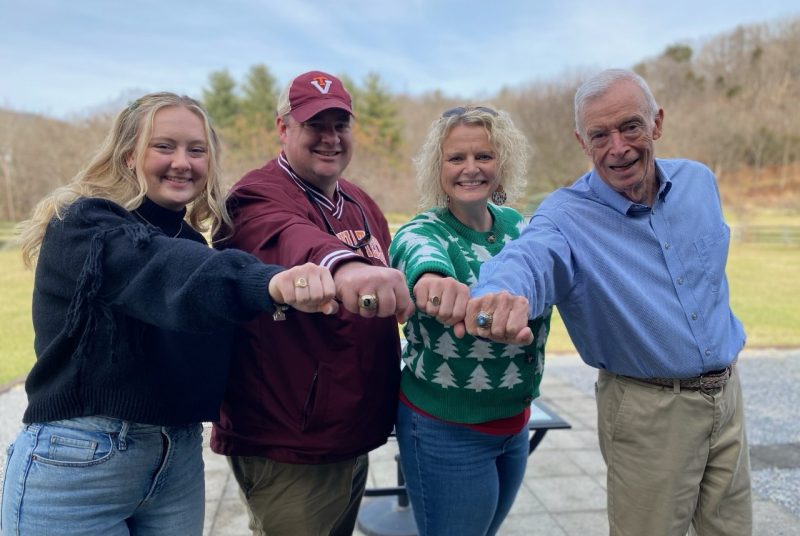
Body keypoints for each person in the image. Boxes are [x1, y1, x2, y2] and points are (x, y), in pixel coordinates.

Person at [0, 92, 339, 536]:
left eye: (196, 150)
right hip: (78, 461)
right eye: (164, 146)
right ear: (127, 156)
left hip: (176, 459)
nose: (183, 162)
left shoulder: (192, 243)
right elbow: (160, 270)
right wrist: (272, 282)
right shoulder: (85, 223)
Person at [467, 69, 751, 536]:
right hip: (648, 409)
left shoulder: (699, 183)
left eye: (631, 127)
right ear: (583, 141)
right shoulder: (566, 215)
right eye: (600, 135)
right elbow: (529, 258)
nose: (618, 147)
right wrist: (498, 294)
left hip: (728, 397)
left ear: (657, 123)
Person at [210, 70, 414, 535]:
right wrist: (348, 269)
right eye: (314, 125)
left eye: (339, 125)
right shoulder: (254, 197)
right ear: (283, 129)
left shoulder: (360, 202)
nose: (330, 138)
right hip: (288, 445)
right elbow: (290, 237)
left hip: (349, 433)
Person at [388, 105, 552, 535]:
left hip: (514, 422)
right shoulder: (422, 230)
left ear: (503, 163)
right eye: (456, 158)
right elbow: (418, 258)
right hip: (446, 431)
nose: (470, 168)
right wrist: (432, 282)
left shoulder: (521, 227)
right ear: (437, 168)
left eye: (484, 156)